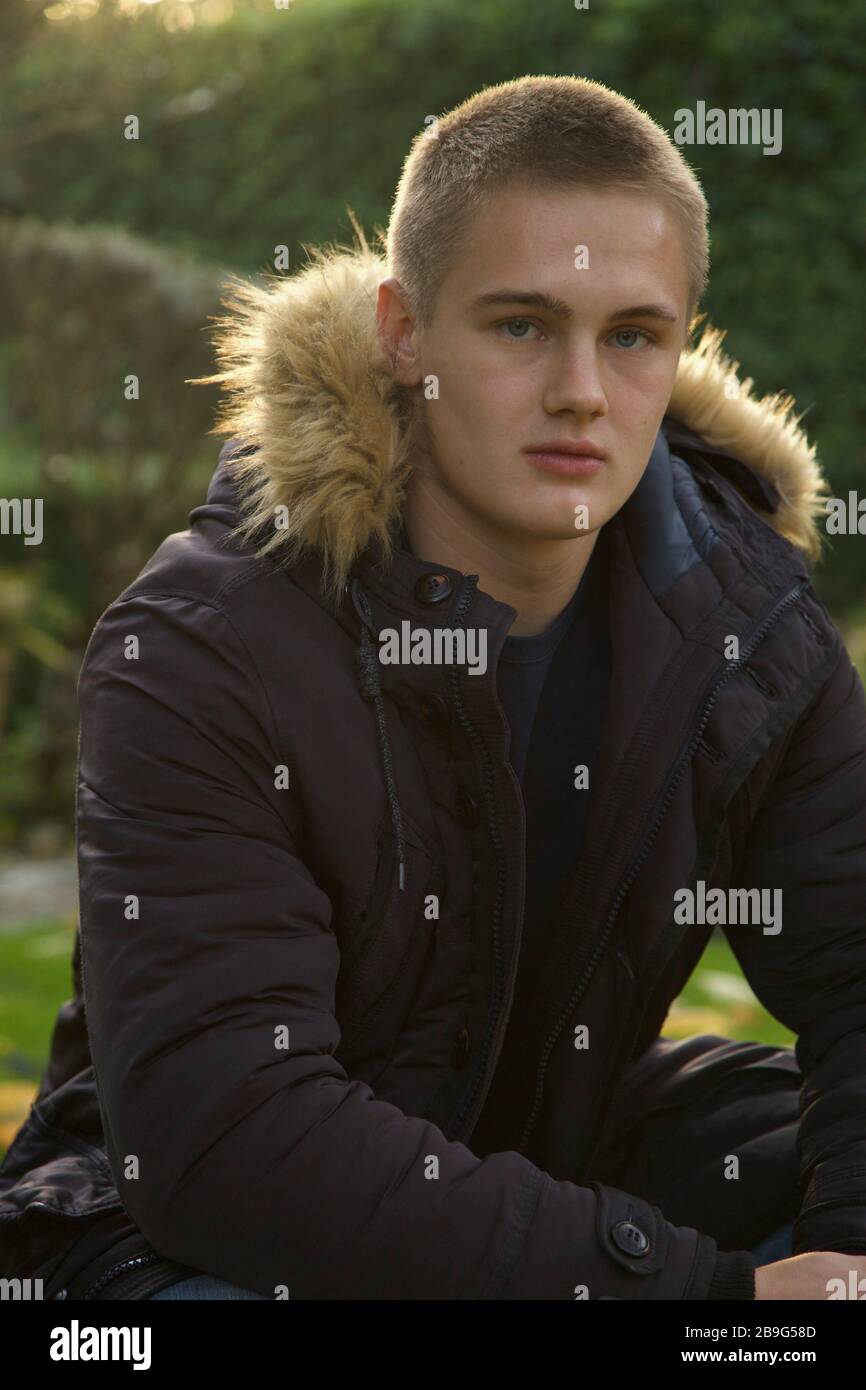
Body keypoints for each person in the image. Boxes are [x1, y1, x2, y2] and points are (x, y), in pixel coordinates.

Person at [2, 74, 865, 1302]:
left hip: (541, 1147)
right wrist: (704, 1300)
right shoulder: (205, 644)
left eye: (631, 336)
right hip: (182, 1232)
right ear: (403, 332)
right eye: (520, 325)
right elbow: (231, 1139)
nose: (582, 389)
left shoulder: (747, 626)